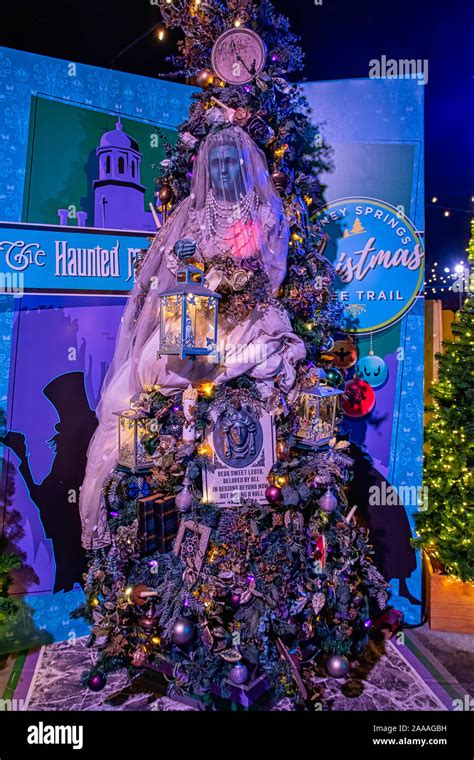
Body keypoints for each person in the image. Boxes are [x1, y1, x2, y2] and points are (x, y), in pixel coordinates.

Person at [79, 124, 305, 550]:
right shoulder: (194, 213)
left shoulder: (266, 212)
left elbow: (272, 275)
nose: (220, 172)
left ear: (242, 166)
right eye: (213, 164)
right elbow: (177, 274)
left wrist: (238, 291)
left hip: (250, 313)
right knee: (142, 375)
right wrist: (187, 262)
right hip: (201, 314)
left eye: (228, 164)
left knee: (248, 355)